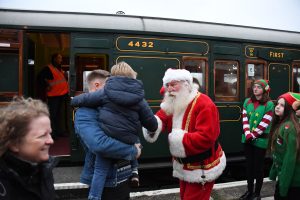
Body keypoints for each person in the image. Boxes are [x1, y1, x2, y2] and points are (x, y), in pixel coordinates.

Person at [72, 63, 158, 200]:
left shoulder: (109, 98)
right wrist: (133, 151)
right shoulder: (84, 112)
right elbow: (100, 145)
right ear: (97, 86)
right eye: (109, 84)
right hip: (108, 184)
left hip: (123, 177)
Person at [143, 68, 226, 200]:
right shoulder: (175, 100)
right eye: (167, 85)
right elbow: (162, 117)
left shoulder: (204, 104)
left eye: (173, 84)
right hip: (184, 166)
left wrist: (178, 140)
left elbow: (206, 138)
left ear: (186, 84)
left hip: (202, 167)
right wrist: (152, 125)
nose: (169, 89)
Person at [0, 97, 57, 200]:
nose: (51, 141)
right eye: (42, 135)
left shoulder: (43, 168)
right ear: (14, 144)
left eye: (50, 133)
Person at [240, 79, 274, 200]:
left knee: (258, 168)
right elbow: (244, 118)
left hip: (260, 141)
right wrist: (248, 133)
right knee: (249, 167)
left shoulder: (269, 104)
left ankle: (257, 193)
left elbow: (265, 122)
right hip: (247, 139)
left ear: (264, 90)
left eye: (258, 87)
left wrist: (253, 135)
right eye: (254, 87)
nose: (255, 89)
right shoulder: (247, 101)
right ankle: (249, 191)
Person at [269, 92, 300, 200]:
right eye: (277, 104)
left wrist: (283, 187)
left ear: (289, 109)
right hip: (284, 178)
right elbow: (278, 152)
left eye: (282, 105)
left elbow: (289, 159)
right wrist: (273, 173)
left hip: (292, 183)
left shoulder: (290, 128)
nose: (277, 107)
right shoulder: (283, 124)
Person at [37, 53, 69, 139]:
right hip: (53, 96)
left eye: (61, 58)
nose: (61, 60)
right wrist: (47, 86)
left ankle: (59, 132)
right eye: (59, 58)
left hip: (62, 94)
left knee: (59, 115)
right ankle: (52, 134)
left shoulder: (59, 68)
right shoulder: (47, 68)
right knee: (53, 115)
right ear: (54, 59)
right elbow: (40, 78)